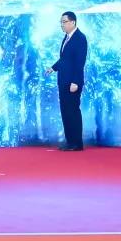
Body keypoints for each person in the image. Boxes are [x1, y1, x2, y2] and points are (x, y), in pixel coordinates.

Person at [46, 11, 88, 151]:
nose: (62, 25)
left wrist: (75, 81)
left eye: (64, 22)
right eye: (61, 22)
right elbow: (65, 59)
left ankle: (77, 143)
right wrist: (53, 67)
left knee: (73, 111)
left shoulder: (80, 38)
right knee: (65, 111)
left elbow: (79, 62)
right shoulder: (67, 37)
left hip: (72, 82)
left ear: (73, 22)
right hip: (63, 80)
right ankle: (70, 141)